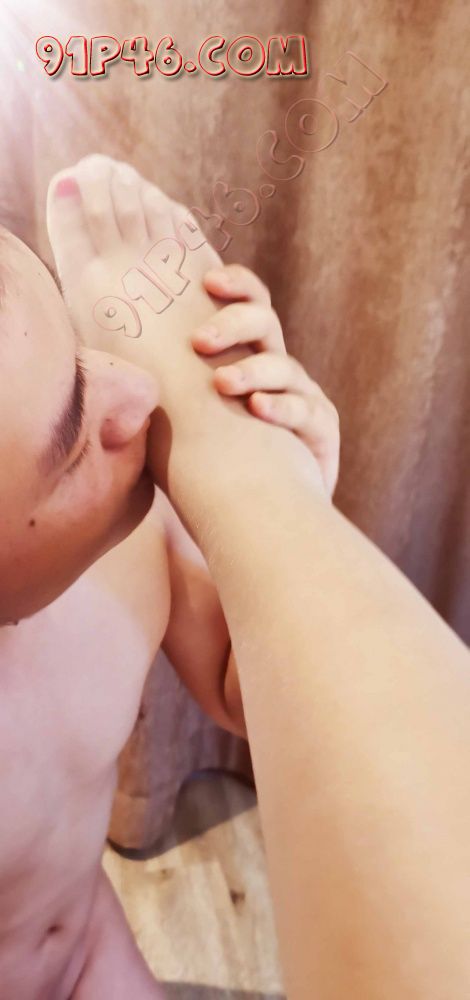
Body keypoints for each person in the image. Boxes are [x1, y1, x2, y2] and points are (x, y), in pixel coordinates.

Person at [0, 155, 339, 999]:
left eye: (79, 350)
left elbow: (241, 692)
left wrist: (288, 511)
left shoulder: (128, 543)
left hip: (87, 940)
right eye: (72, 447)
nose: (139, 388)